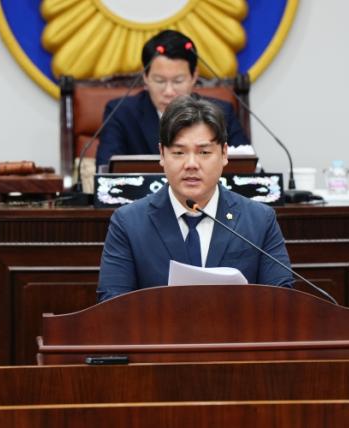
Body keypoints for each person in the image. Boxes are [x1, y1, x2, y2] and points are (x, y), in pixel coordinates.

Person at [96, 96, 293, 302]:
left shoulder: (259, 220)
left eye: (204, 152)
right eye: (179, 152)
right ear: (162, 154)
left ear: (224, 154)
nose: (191, 164)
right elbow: (112, 303)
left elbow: (281, 302)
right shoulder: (129, 223)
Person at [95, 29, 250, 169]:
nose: (169, 91)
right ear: (145, 77)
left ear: (194, 76)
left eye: (178, 81)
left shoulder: (222, 113)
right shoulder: (121, 113)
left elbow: (248, 167)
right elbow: (105, 170)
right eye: (160, 81)